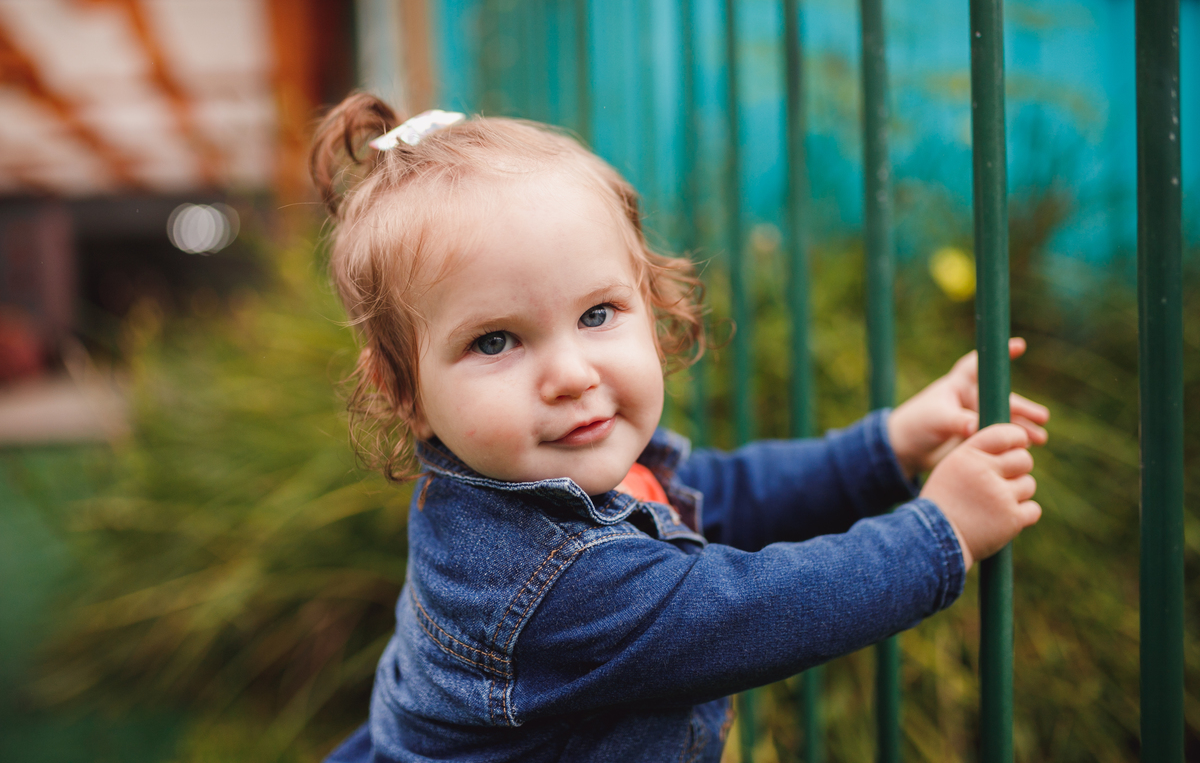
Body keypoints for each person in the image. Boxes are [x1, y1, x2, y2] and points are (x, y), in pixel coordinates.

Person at [310, 93, 1049, 763]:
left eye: (597, 314)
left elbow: (727, 492)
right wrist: (940, 532)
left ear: (649, 300)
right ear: (406, 392)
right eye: (495, 340)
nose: (571, 373)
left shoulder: (552, 477)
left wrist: (891, 442)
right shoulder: (549, 585)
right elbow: (754, 611)